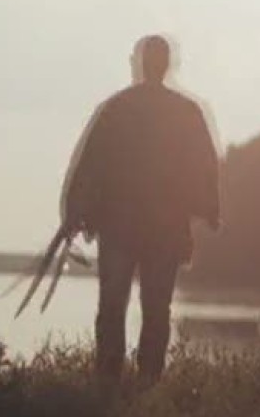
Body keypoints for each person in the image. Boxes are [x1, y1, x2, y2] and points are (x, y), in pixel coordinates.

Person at [61, 34, 220, 388]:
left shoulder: (117, 108)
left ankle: (108, 382)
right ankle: (147, 383)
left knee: (114, 306)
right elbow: (205, 166)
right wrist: (210, 209)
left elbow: (90, 164)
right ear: (166, 65)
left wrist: (76, 211)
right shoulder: (185, 112)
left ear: (140, 62)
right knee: (155, 309)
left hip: (120, 227)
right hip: (163, 230)